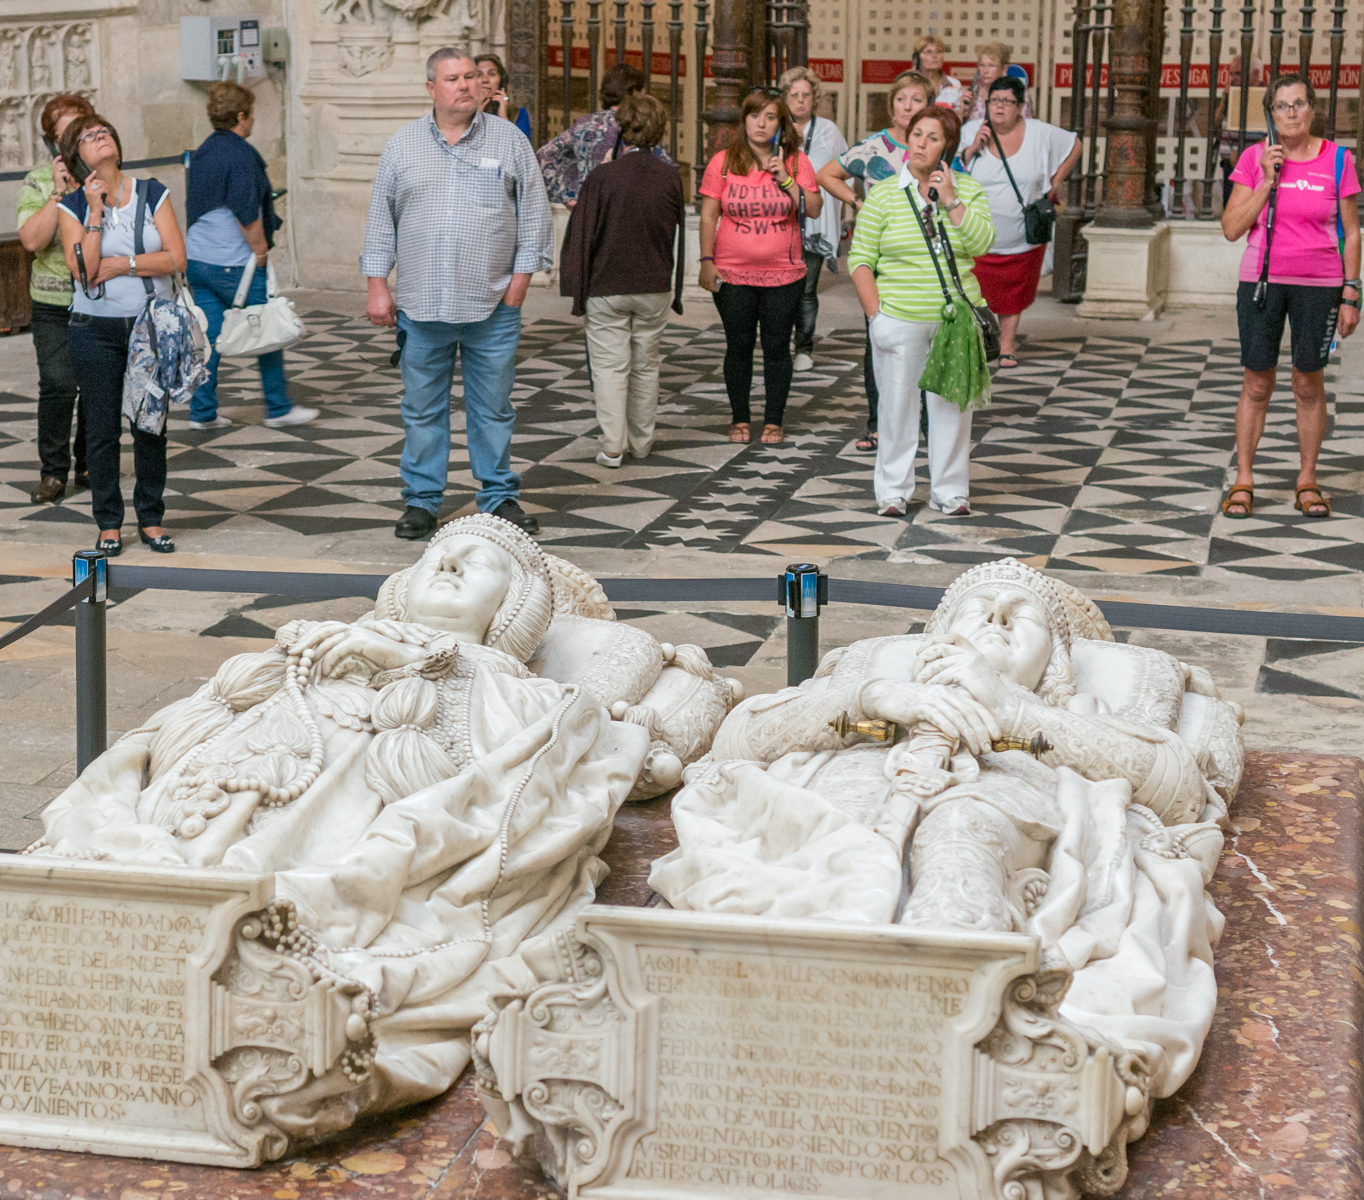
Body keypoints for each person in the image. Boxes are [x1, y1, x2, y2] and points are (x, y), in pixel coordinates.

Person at [362, 49, 553, 540]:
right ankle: (422, 502)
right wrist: (377, 285)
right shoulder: (402, 146)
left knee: (493, 408)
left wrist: (519, 286)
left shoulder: (510, 142)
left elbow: (535, 218)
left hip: (493, 305)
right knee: (422, 409)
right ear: (432, 88)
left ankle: (498, 496)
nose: (466, 86)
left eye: (472, 76)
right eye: (453, 78)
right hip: (422, 308)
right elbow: (382, 221)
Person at [1220, 73, 1360, 521]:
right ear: (1271, 113)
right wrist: (1267, 180)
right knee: (1257, 381)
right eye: (1282, 106)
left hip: (1319, 283)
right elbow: (1231, 228)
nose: (1292, 113)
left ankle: (1307, 478)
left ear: (1313, 109)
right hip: (1262, 282)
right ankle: (1244, 478)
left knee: (1307, 382)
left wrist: (1351, 293)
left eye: (1300, 104)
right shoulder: (1254, 159)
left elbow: (1352, 232)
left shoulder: (1338, 159)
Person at [848, 104, 994, 518]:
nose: (921, 144)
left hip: (956, 322)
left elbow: (982, 243)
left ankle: (951, 492)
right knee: (896, 409)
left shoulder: (967, 190)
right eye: (916, 134)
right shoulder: (884, 195)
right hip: (899, 318)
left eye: (932, 138)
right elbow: (859, 259)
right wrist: (876, 317)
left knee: (951, 408)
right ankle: (893, 491)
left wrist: (950, 200)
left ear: (947, 147)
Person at [57, 114, 188, 556]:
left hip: (149, 325)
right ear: (78, 156)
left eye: (105, 132)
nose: (101, 137)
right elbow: (84, 273)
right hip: (94, 330)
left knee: (149, 424)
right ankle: (109, 524)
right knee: (101, 429)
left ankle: (150, 518)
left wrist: (123, 264)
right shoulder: (72, 206)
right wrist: (95, 212)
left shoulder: (152, 192)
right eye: (90, 136)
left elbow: (176, 258)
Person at [559, 94, 685, 468]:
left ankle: (613, 447)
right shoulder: (670, 176)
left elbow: (583, 234)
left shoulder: (603, 176)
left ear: (622, 130)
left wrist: (576, 289)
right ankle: (642, 442)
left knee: (611, 367)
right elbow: (677, 232)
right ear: (661, 131)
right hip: (654, 282)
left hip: (607, 283)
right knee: (646, 364)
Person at [184, 81, 316, 430]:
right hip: (233, 261)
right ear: (241, 116)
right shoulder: (241, 155)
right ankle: (278, 407)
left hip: (198, 259)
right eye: (251, 114)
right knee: (268, 327)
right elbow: (246, 210)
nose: (253, 120)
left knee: (209, 339)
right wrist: (260, 249)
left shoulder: (204, 152)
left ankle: (203, 413)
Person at [698, 89, 822, 446]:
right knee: (737, 345)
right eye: (755, 116)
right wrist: (707, 261)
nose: (761, 124)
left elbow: (813, 208)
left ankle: (773, 419)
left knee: (777, 346)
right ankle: (739, 417)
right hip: (732, 273)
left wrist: (785, 177)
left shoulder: (797, 162)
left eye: (770, 117)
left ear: (781, 125)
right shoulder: (723, 162)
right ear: (744, 120)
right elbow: (708, 214)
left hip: (784, 275)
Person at [818, 71, 934, 451]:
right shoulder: (872, 148)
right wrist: (856, 202)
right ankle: (878, 423)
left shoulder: (936, 147)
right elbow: (827, 175)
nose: (908, 107)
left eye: (916, 100)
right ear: (892, 104)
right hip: (882, 257)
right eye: (902, 100)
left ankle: (929, 422)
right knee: (879, 337)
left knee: (927, 341)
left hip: (925, 257)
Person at [960, 76, 1080, 367]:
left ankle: (1006, 346)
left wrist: (1055, 183)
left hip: (1020, 235)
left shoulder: (1039, 132)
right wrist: (973, 147)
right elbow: (954, 167)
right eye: (994, 101)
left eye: (1007, 101)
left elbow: (1075, 145)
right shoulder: (971, 130)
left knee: (1013, 293)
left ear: (1020, 106)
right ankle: (979, 341)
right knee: (974, 293)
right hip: (976, 235)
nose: (999, 107)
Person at [17, 93, 92, 504]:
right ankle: (53, 471)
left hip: (98, 301)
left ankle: (88, 463)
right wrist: (59, 194)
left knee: (96, 387)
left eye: (79, 131)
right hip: (52, 303)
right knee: (59, 383)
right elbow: (32, 240)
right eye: (62, 134)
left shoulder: (102, 177)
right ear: (51, 141)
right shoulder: (39, 180)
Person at [779, 66, 848, 374]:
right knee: (781, 289)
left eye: (806, 95)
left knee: (806, 289)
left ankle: (804, 348)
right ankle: (778, 344)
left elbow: (846, 169)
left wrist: (846, 212)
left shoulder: (829, 131)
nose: (801, 101)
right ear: (784, 98)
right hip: (779, 222)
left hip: (816, 223)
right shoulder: (775, 130)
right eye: (794, 95)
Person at [535, 63, 672, 206]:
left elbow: (544, 155)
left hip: (589, 207)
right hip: (627, 208)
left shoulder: (584, 124)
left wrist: (567, 195)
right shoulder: (636, 125)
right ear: (635, 92)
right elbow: (665, 167)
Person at [962, 43, 1032, 122]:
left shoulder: (1019, 92)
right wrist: (963, 113)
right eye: (982, 65)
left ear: (1004, 68)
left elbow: (1026, 125)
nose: (985, 71)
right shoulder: (972, 93)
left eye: (991, 65)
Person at [475, 53, 533, 139]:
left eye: (491, 74)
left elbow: (521, 148)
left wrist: (503, 117)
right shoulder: (460, 114)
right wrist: (476, 116)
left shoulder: (520, 114)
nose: (485, 80)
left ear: (501, 80)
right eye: (479, 75)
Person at [913, 35, 964, 112]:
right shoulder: (910, 82)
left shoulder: (955, 84)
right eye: (928, 52)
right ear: (918, 57)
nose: (934, 56)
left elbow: (958, 116)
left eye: (939, 51)